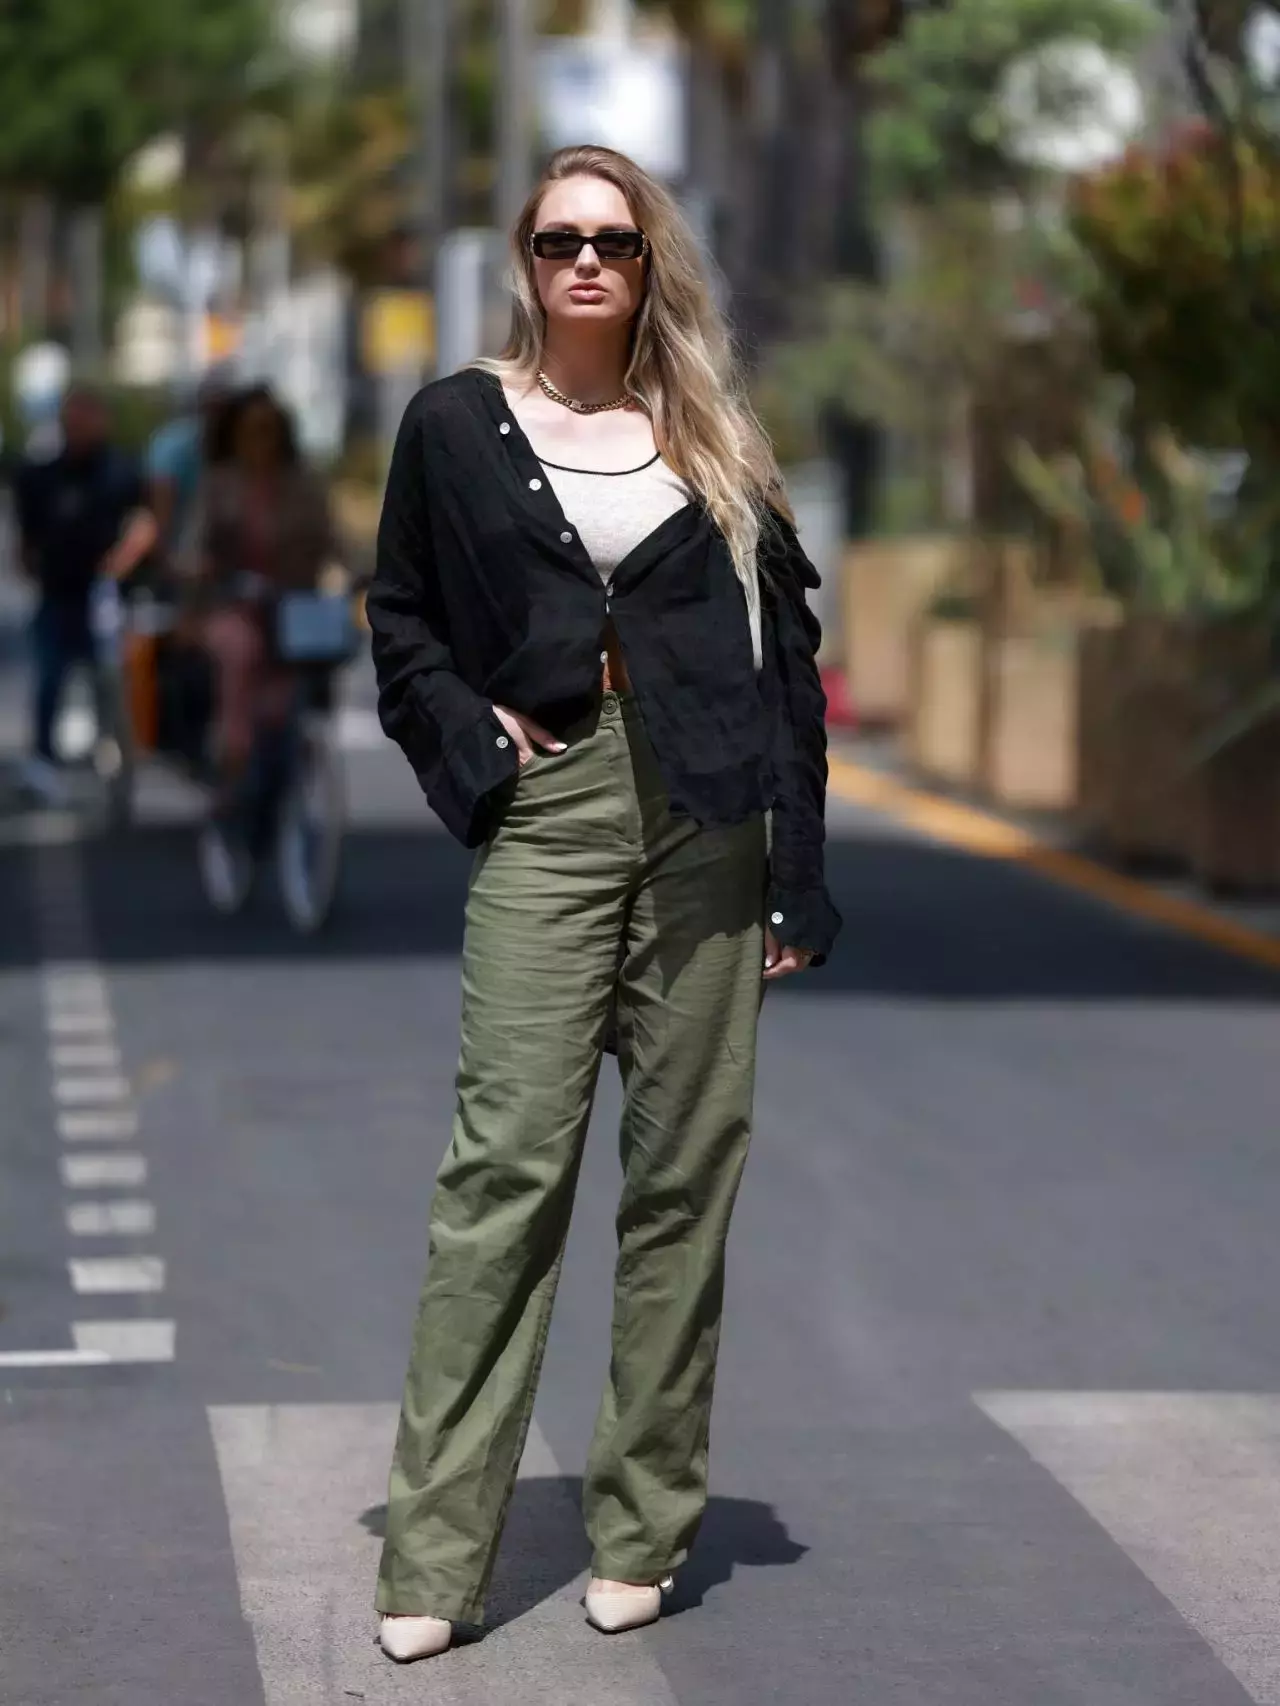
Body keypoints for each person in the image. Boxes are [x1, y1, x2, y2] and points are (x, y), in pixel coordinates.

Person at [366, 143, 841, 1664]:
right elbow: (403, 617)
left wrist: (801, 868)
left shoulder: (714, 435)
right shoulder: (455, 424)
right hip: (552, 811)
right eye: (562, 238)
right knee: (504, 1170)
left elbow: (787, 666)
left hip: (710, 816)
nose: (587, 263)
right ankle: (437, 1552)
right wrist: (468, 738)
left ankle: (642, 1524)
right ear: (525, 259)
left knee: (684, 1182)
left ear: (649, 270)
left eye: (616, 245)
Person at [183, 383, 335, 817]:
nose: (260, 441)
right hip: (233, 606)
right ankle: (233, 759)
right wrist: (197, 584)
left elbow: (333, 542)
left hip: (293, 607)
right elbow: (196, 548)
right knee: (241, 651)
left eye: (269, 430)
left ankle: (295, 751)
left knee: (312, 660)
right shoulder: (219, 485)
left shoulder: (303, 485)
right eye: (251, 431)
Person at [15, 384, 157, 804]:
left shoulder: (121, 472)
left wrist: (122, 560)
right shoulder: (41, 475)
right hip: (58, 593)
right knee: (50, 679)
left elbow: (144, 523)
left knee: (111, 679)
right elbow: (27, 539)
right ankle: (44, 761)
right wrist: (28, 565)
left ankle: (112, 753)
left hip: (107, 596)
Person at [144, 367, 235, 560]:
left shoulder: (241, 448)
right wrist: (169, 558)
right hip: (180, 551)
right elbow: (161, 510)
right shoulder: (173, 446)